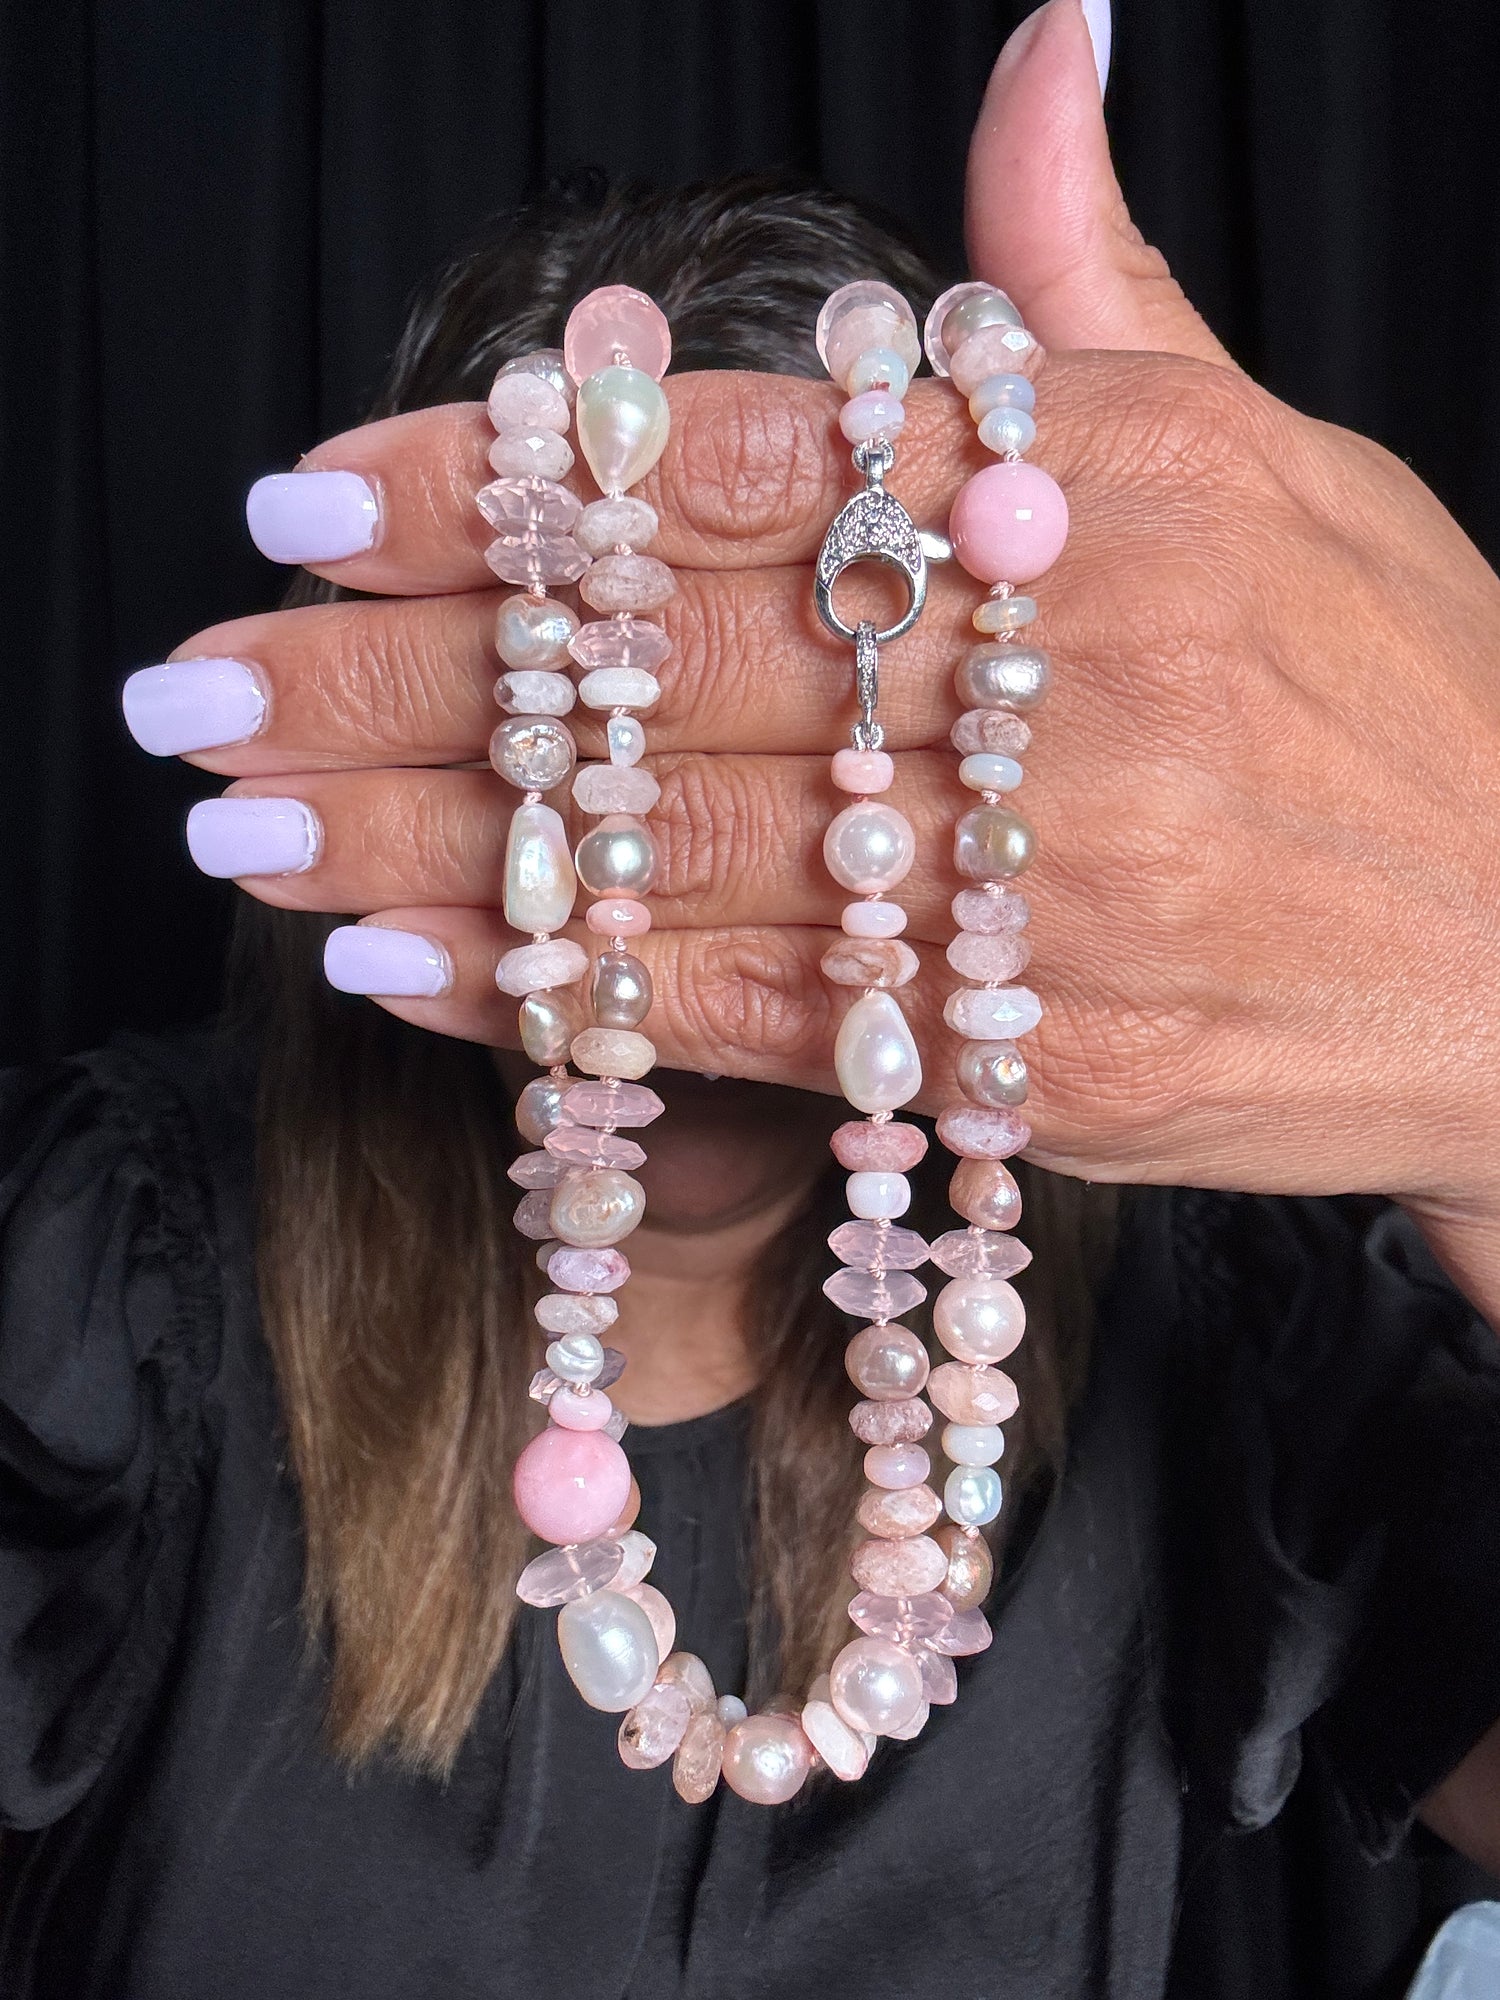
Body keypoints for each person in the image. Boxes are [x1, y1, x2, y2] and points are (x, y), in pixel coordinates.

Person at [5, 3, 1500, 1994]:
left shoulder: (1229, 1331)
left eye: (839, 763)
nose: (651, 913)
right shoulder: (98, 1285)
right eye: (571, 732)